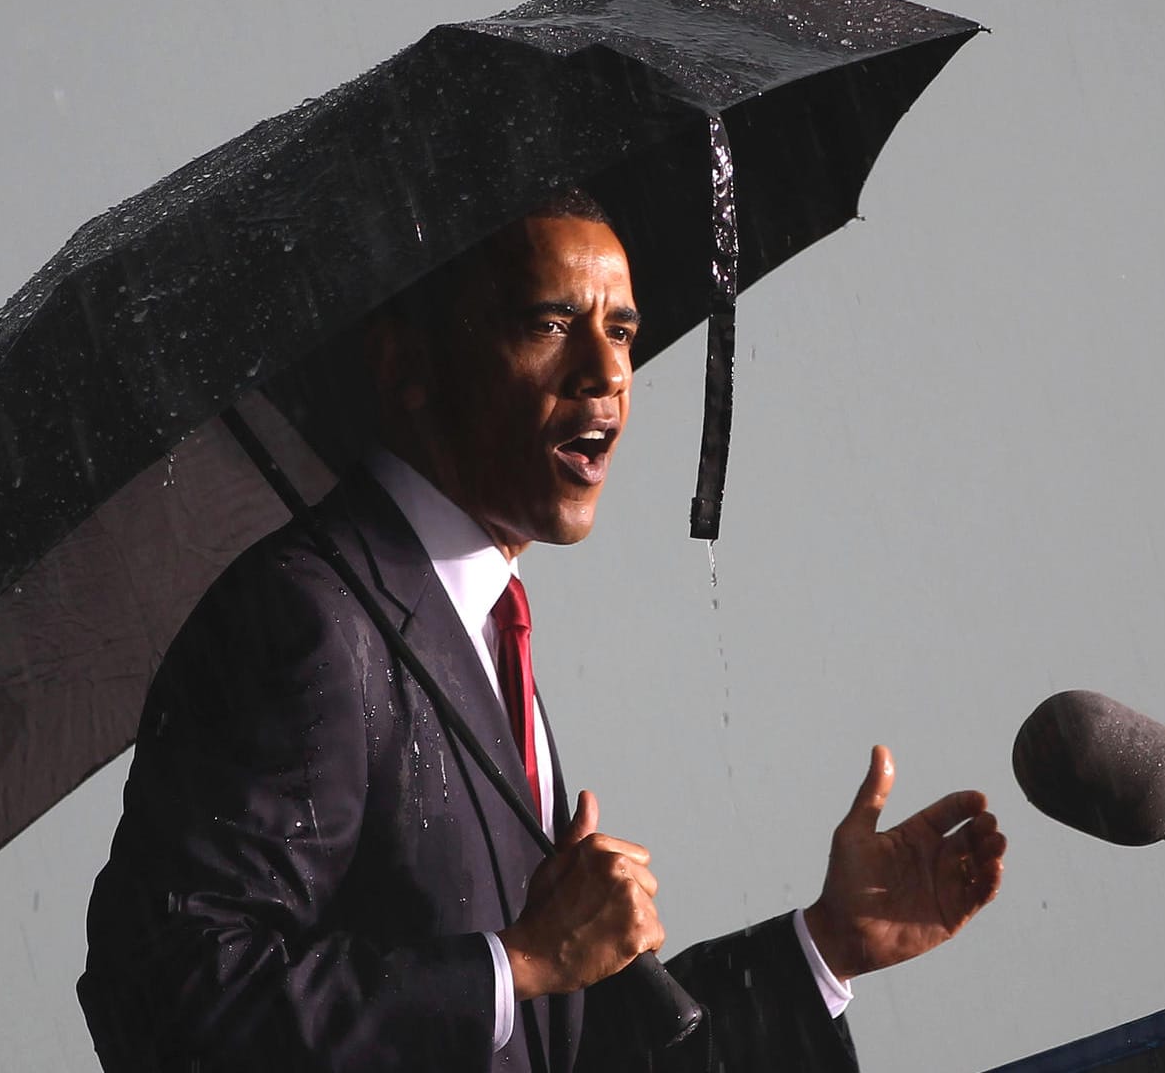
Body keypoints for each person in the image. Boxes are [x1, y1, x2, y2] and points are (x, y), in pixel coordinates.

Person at [78, 190, 1007, 1072]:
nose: (607, 373)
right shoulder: (310, 620)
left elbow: (554, 1051)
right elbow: (168, 1005)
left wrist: (826, 946)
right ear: (406, 366)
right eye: (550, 324)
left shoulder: (475, 629)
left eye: (622, 331)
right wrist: (515, 964)